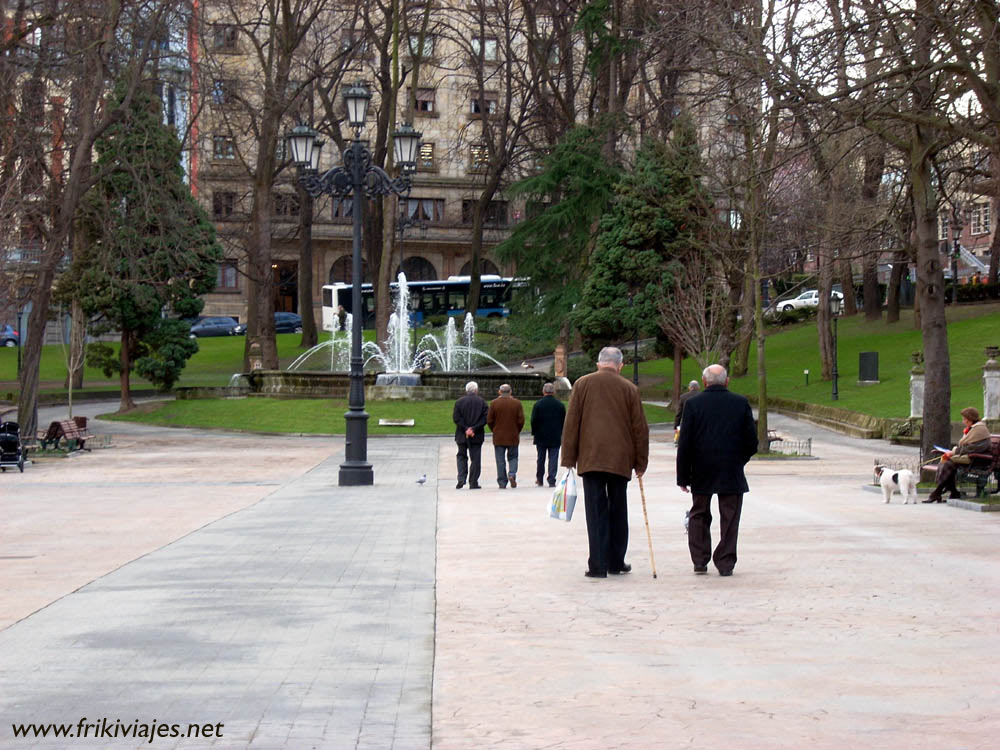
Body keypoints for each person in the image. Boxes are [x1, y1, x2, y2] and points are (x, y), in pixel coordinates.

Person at [561, 347, 649, 578]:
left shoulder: (582, 384)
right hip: (620, 459)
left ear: (598, 363)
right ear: (620, 365)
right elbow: (640, 428)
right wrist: (641, 463)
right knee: (618, 509)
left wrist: (568, 458)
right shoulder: (630, 388)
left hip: (591, 457)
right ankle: (616, 561)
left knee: (595, 511)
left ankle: (598, 564)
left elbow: (572, 422)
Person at [676, 364, 758, 577]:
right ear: (727, 381)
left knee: (699, 513)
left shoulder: (693, 404)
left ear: (704, 382)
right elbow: (751, 441)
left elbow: (685, 443)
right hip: (731, 467)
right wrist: (739, 460)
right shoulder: (740, 403)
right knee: (730, 516)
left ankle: (700, 559)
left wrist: (683, 476)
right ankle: (725, 561)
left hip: (701, 467)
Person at [923, 407, 992, 503]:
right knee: (948, 464)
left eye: (964, 419)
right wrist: (954, 452)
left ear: (970, 419)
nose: (963, 421)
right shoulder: (973, 429)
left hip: (977, 460)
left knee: (948, 464)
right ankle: (951, 492)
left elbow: (973, 448)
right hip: (969, 457)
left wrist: (954, 452)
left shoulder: (979, 429)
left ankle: (937, 493)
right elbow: (968, 447)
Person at [487, 384, 525, 488]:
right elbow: (521, 420)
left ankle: (502, 482)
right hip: (513, 435)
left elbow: (489, 420)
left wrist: (494, 430)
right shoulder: (517, 403)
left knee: (500, 460)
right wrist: (517, 430)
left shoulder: (494, 403)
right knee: (513, 457)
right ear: (510, 392)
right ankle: (512, 473)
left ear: (500, 392)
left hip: (499, 436)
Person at [453, 381, 489, 490]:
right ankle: (473, 482)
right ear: (476, 390)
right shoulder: (482, 402)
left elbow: (456, 418)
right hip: (476, 435)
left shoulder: (459, 402)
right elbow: (485, 418)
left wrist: (466, 429)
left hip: (462, 434)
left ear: (466, 390)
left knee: (461, 456)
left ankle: (461, 478)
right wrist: (473, 428)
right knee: (475, 459)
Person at [530, 382, 566, 487]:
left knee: (540, 458)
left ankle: (539, 478)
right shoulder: (560, 405)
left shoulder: (538, 404)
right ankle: (552, 479)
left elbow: (533, 420)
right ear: (553, 392)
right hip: (555, 435)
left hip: (541, 435)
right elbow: (564, 421)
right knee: (553, 458)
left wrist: (534, 432)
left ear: (543, 391)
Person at [673, 380, 701, 444]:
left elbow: (679, 412)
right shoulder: (703, 395)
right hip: (699, 422)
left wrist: (676, 425)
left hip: (686, 422)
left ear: (689, 387)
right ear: (698, 387)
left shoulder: (683, 397)